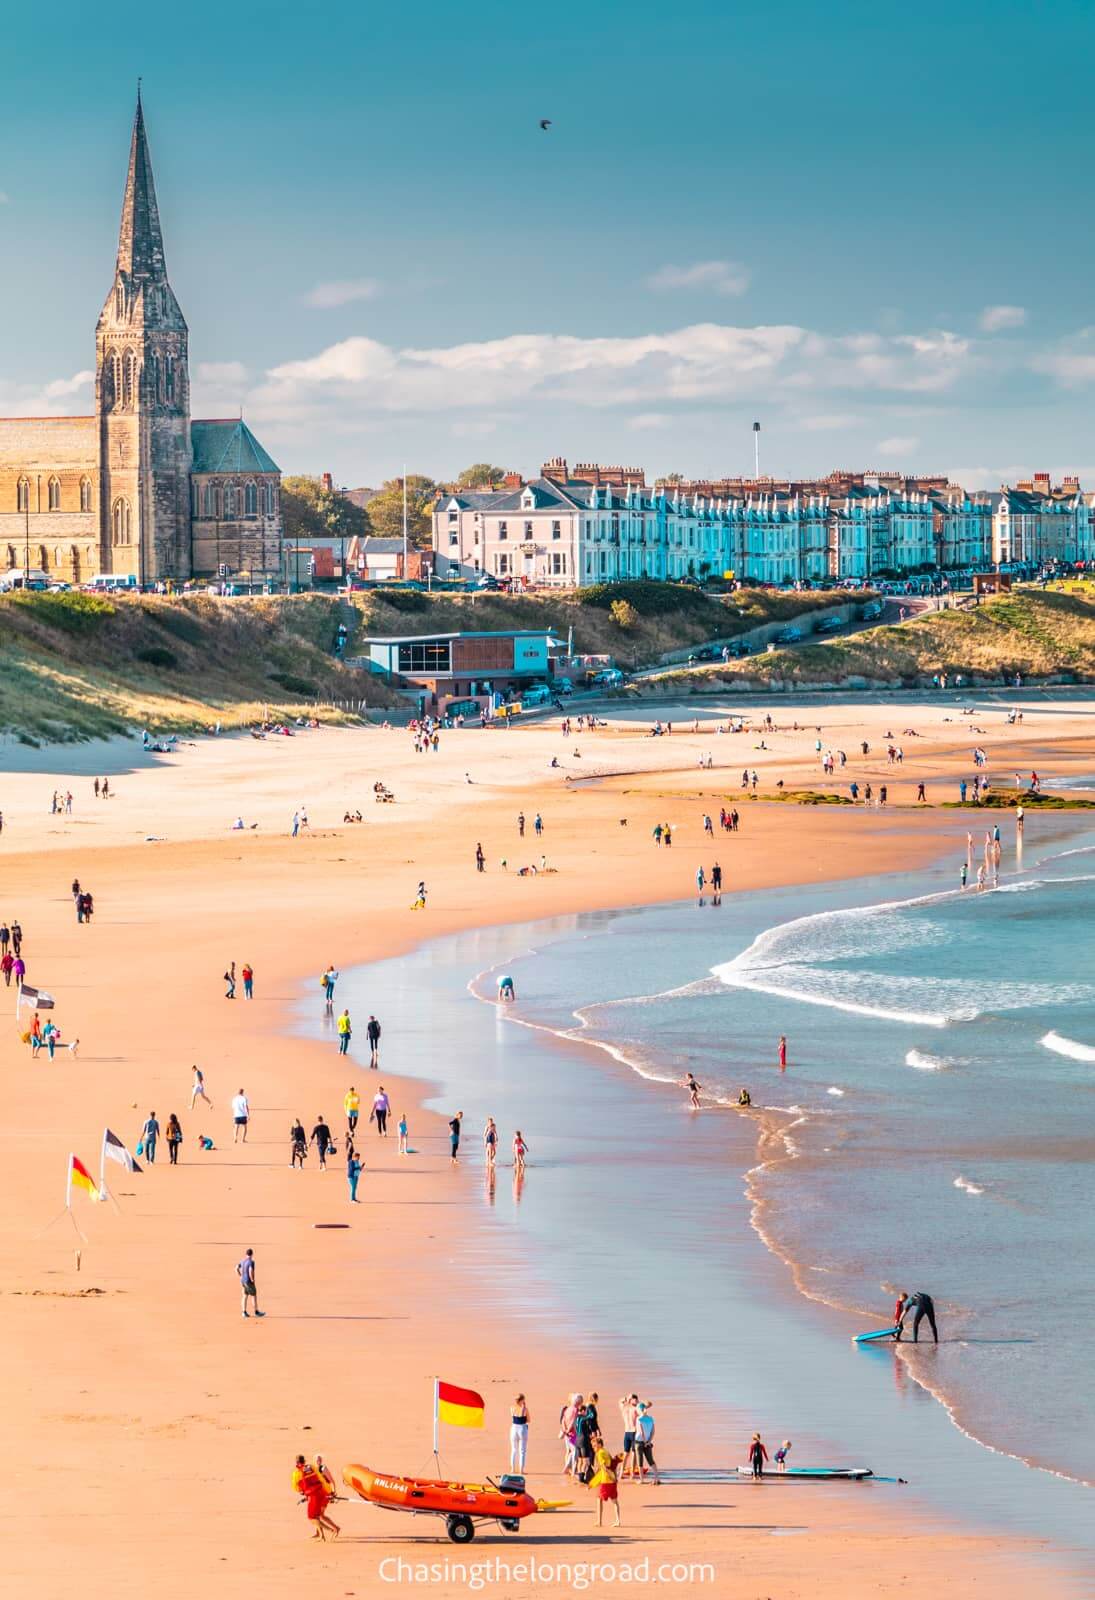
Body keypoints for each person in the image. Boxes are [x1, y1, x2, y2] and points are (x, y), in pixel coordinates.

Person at [293, 1457, 339, 1540]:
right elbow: (321, 1480)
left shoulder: (322, 1468)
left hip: (321, 1493)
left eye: (319, 1459)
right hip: (321, 1492)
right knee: (318, 1515)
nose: (318, 1461)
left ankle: (334, 1529)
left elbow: (330, 1481)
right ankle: (321, 1535)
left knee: (314, 1516)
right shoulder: (312, 1467)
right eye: (316, 1459)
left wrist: (331, 1493)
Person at [590, 1446, 622, 1527]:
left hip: (606, 1481)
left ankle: (599, 1521)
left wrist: (610, 1476)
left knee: (599, 1499)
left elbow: (604, 1467)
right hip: (612, 1481)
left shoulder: (600, 1453)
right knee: (615, 1501)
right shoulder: (606, 1452)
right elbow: (613, 1465)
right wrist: (615, 1477)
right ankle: (618, 1521)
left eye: (594, 1446)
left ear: (599, 1445)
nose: (593, 1448)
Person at [635, 1402, 659, 1484]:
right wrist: (648, 1441)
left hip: (639, 1442)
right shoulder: (651, 1418)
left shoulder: (638, 1419)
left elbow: (641, 1432)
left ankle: (641, 1480)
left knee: (640, 1461)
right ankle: (657, 1478)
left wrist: (645, 1442)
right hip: (648, 1442)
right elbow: (653, 1432)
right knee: (651, 1460)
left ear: (639, 1410)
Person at [618, 1395, 640, 1481]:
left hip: (628, 1432)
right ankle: (629, 1473)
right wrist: (630, 1399)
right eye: (635, 1399)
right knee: (630, 1454)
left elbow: (620, 1401)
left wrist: (626, 1398)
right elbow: (647, 1405)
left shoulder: (624, 1408)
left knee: (628, 1454)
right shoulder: (633, 1408)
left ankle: (624, 1473)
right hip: (632, 1432)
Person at [238, 1248, 264, 1318]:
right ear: (252, 1254)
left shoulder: (242, 1261)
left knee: (245, 1296)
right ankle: (256, 1312)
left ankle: (244, 1312)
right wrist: (252, 1279)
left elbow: (236, 1268)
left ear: (246, 1254)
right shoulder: (251, 1262)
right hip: (249, 1281)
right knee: (254, 1296)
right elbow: (250, 1270)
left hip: (243, 1281)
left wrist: (240, 1275)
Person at [510, 1394, 530, 1472]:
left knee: (514, 1450)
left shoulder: (512, 1408)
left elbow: (513, 1418)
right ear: (522, 1400)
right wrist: (523, 1409)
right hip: (522, 1428)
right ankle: (521, 1470)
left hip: (514, 1428)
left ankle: (513, 1469)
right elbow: (528, 1420)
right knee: (522, 1451)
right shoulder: (525, 1409)